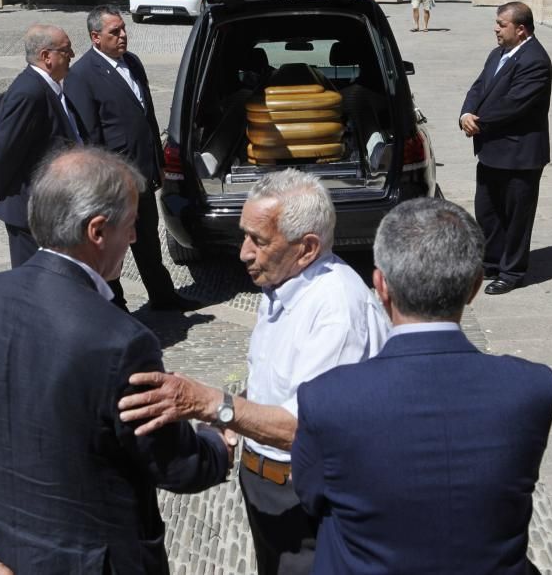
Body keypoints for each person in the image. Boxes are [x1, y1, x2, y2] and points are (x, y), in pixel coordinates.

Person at [0, 147, 232, 575]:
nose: (136, 238)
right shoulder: (121, 341)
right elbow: (176, 465)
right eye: (132, 224)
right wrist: (218, 440)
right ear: (98, 231)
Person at [117, 169, 390, 575]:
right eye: (244, 235)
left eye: (258, 241)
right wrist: (239, 417)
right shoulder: (282, 284)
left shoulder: (337, 312)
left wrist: (216, 406)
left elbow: (310, 428)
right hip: (268, 486)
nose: (244, 252)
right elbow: (278, 386)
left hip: (308, 499)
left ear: (307, 248)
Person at [292, 197, 552, 574]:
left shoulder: (327, 399)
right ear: (475, 286)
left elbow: (311, 495)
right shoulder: (532, 388)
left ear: (380, 284)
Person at [64, 5, 198, 311]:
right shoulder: (82, 75)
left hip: (143, 174)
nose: (123, 36)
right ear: (96, 37)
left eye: (124, 29)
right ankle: (116, 306)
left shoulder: (133, 63)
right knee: (113, 246)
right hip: (114, 181)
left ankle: (163, 295)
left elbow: (146, 117)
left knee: (148, 240)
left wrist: (159, 163)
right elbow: (90, 136)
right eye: (115, 32)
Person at [459, 1, 552, 295]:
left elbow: (515, 104)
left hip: (519, 154)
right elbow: (478, 88)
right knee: (488, 211)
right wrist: (465, 113)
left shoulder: (535, 60)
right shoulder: (497, 53)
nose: (496, 29)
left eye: (501, 24)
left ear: (520, 29)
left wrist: (479, 121)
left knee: (516, 216)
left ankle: (512, 271)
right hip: (491, 150)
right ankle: (492, 260)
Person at [0, 24, 82, 268]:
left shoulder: (51, 87)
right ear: (46, 56)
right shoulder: (29, 92)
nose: (72, 55)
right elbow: (5, 150)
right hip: (30, 211)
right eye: (66, 50)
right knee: (34, 285)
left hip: (51, 208)